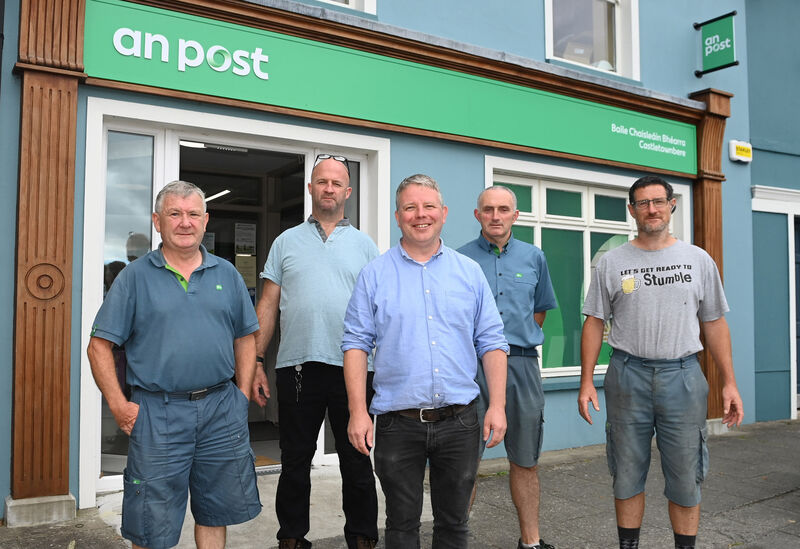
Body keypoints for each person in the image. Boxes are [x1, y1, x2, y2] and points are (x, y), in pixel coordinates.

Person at [87, 180, 261, 549]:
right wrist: (119, 406)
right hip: (158, 412)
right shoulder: (134, 278)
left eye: (193, 214)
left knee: (215, 511)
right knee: (151, 521)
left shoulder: (227, 274)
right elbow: (99, 346)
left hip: (219, 409)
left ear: (205, 220)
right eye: (175, 214)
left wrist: (241, 395)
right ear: (157, 221)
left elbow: (246, 336)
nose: (185, 222)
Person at [342, 173, 509, 549]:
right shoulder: (374, 275)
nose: (421, 215)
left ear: (444, 213)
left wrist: (496, 406)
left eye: (429, 206)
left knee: (454, 524)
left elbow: (493, 342)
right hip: (397, 424)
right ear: (398, 216)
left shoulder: (469, 273)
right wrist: (357, 412)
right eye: (410, 208)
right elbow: (354, 344)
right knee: (401, 526)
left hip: (460, 422)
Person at [578, 175, 744, 549]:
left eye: (657, 201)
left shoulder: (698, 260)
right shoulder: (612, 262)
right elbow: (594, 322)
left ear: (672, 205)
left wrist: (729, 382)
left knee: (687, 474)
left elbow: (715, 323)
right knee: (626, 472)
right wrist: (586, 380)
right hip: (627, 374)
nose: (650, 209)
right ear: (631, 210)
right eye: (642, 203)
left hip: (683, 376)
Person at [251, 154, 380, 549]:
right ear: (310, 188)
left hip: (354, 371)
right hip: (298, 368)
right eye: (321, 181)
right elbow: (268, 306)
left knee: (357, 461)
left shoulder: (365, 246)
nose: (328, 188)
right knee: (294, 463)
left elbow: (381, 311)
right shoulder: (286, 242)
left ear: (348, 192)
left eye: (336, 183)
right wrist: (256, 361)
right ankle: (291, 539)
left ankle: (361, 538)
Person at [458, 185, 557, 549]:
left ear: (515, 216)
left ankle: (530, 542)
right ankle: (455, 540)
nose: (495, 216)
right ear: (477, 215)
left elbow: (540, 311)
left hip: (521, 366)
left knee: (526, 459)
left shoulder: (535, 258)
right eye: (488, 209)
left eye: (503, 209)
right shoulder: (459, 259)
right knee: (463, 464)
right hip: (470, 369)